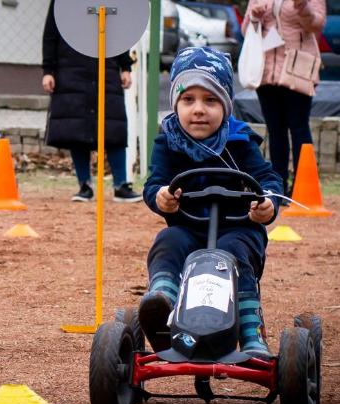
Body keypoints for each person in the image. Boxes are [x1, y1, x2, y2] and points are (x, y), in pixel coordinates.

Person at [139, 47, 283, 358]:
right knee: (168, 238)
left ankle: (249, 332)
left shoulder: (241, 143)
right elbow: (153, 185)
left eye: (211, 100)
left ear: (227, 106)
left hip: (239, 231)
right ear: (176, 104)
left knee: (233, 252)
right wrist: (162, 198)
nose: (199, 110)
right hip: (189, 231)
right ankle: (162, 303)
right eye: (188, 100)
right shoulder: (167, 143)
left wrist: (267, 204)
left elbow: (269, 179)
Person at [41, 0, 142, 203]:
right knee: (76, 128)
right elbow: (50, 35)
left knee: (114, 125)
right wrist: (48, 71)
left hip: (106, 67)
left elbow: (118, 33)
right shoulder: (61, 4)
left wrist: (125, 67)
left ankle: (121, 185)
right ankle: (84, 185)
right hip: (70, 69)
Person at [243, 0, 326, 198]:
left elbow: (316, 25)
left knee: (299, 127)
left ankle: (302, 188)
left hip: (298, 67)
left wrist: (302, 7)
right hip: (266, 70)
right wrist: (254, 16)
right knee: (275, 129)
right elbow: (246, 30)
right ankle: (278, 187)